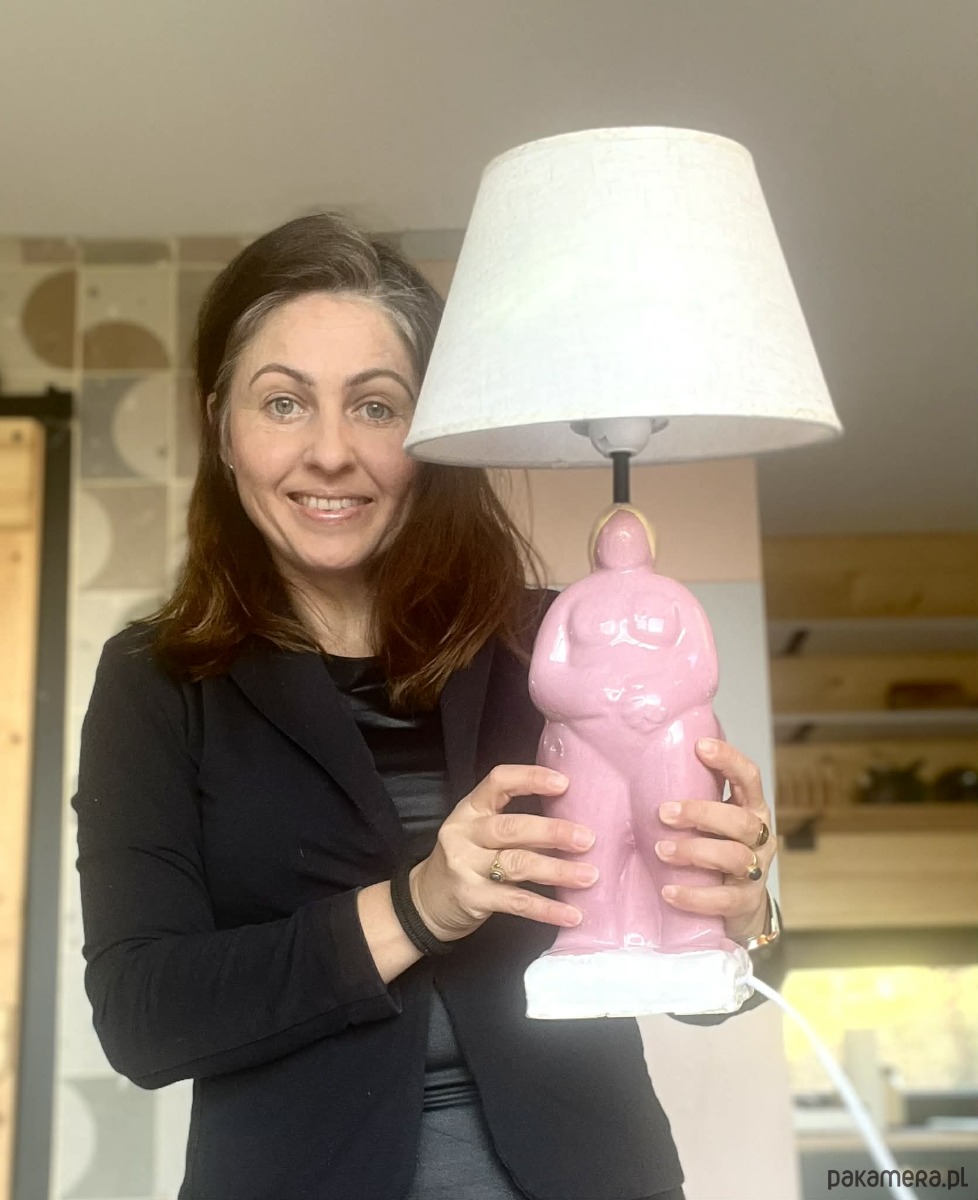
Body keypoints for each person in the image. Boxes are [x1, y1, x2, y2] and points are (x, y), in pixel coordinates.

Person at [74, 212, 785, 1200]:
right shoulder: (157, 681)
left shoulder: (552, 645)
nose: (330, 452)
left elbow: (721, 992)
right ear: (222, 427)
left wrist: (741, 909)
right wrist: (417, 906)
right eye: (283, 403)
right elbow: (144, 1021)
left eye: (376, 406)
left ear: (431, 434)